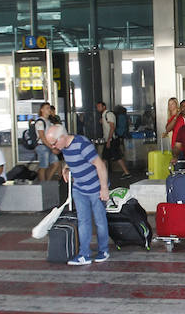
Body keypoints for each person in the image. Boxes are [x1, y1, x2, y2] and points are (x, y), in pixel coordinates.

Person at [45, 124, 111, 265]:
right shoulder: (64, 147)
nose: (54, 147)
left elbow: (100, 165)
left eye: (54, 143)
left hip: (95, 188)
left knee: (100, 221)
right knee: (83, 221)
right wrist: (66, 168)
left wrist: (104, 188)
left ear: (62, 137)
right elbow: (75, 160)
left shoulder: (82, 144)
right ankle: (84, 254)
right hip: (79, 189)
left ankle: (103, 250)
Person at [96, 101, 131, 179]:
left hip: (111, 139)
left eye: (99, 106)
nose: (98, 108)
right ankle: (103, 174)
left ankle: (126, 172)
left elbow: (112, 127)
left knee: (115, 156)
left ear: (104, 106)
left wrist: (109, 139)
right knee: (106, 157)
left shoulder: (109, 114)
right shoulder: (104, 115)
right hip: (110, 139)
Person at [34, 102, 61, 182]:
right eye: (47, 108)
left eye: (49, 108)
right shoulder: (40, 122)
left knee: (55, 163)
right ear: (42, 110)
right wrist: (51, 147)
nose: (49, 110)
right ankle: (43, 184)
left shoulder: (48, 121)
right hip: (42, 146)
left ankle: (47, 181)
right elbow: (42, 137)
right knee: (43, 166)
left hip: (48, 145)